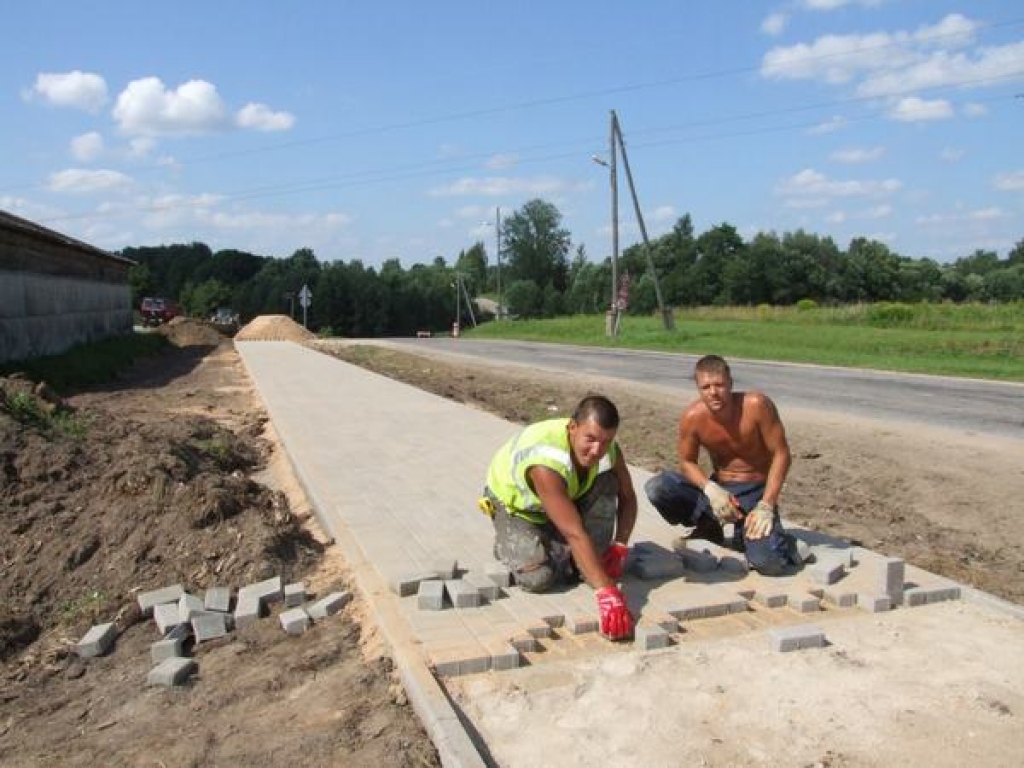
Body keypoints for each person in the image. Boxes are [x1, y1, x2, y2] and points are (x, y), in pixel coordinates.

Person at [480, 394, 638, 640]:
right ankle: (508, 544)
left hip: (565, 498)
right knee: (538, 578)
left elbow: (628, 497)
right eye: (591, 439)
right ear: (573, 428)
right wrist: (607, 593)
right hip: (519, 508)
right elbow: (574, 532)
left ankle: (572, 552)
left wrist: (620, 546)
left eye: (606, 441)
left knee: (608, 481)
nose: (597, 450)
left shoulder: (608, 450)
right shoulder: (545, 462)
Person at [644, 354, 800, 575]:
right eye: (705, 387)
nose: (713, 392)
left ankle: (782, 543)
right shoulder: (693, 417)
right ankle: (709, 525)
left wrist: (766, 505)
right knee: (658, 487)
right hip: (721, 491)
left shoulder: (756, 406)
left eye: (719, 385)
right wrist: (711, 489)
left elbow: (781, 454)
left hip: (756, 491)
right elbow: (687, 462)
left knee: (769, 563)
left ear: (731, 384)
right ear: (698, 388)